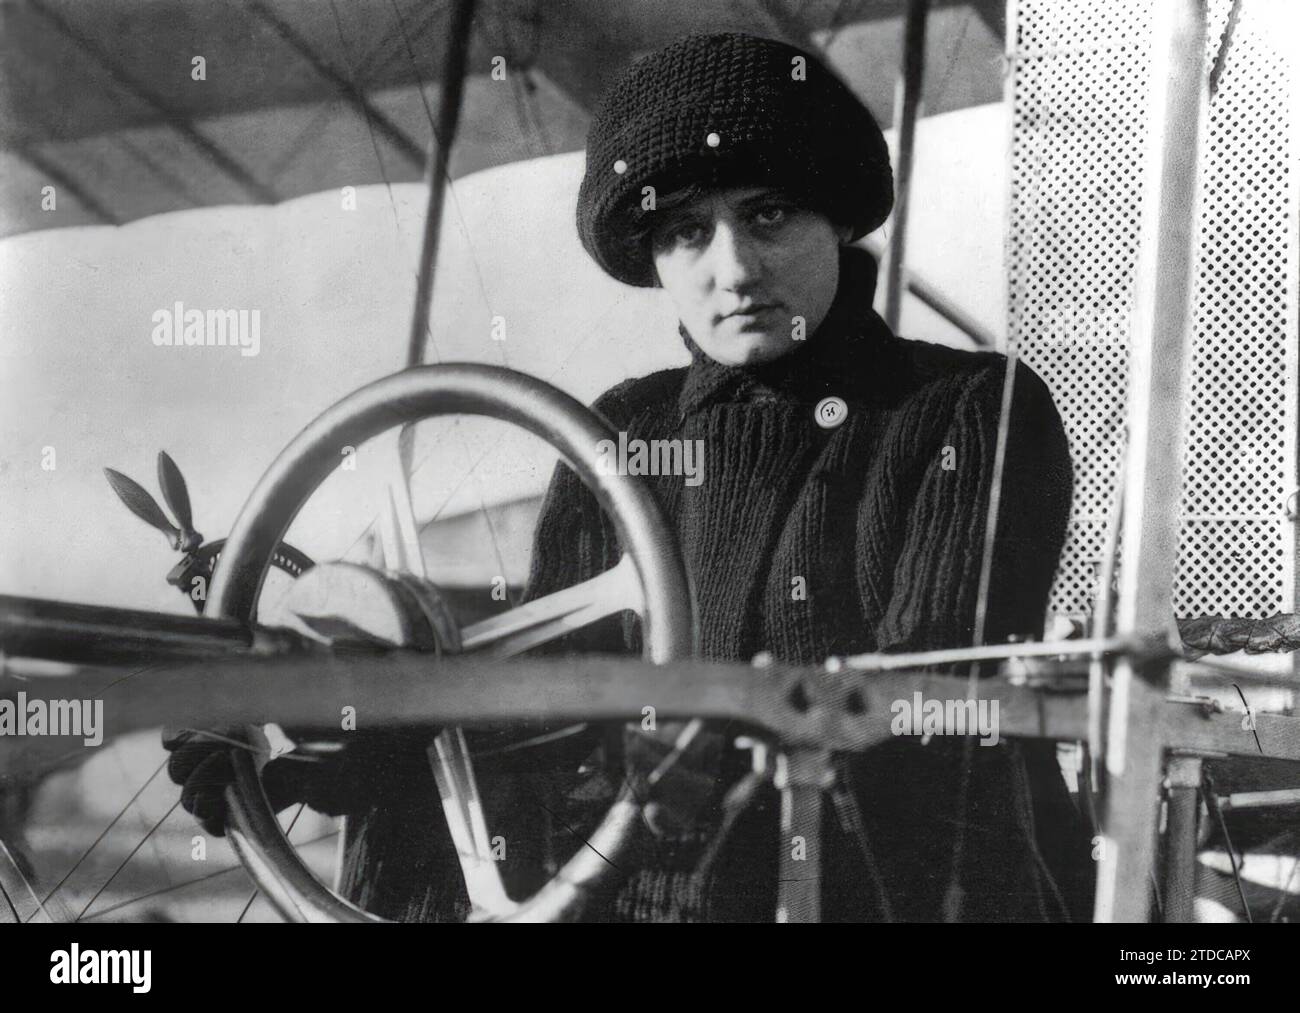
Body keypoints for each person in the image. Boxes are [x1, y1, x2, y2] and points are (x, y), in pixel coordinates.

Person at [167, 31, 1091, 922]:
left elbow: (929, 726)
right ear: (651, 258)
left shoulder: (971, 408)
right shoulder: (622, 430)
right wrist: (351, 747)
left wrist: (708, 753)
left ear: (840, 216)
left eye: (768, 213)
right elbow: (546, 719)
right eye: (688, 231)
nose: (733, 269)